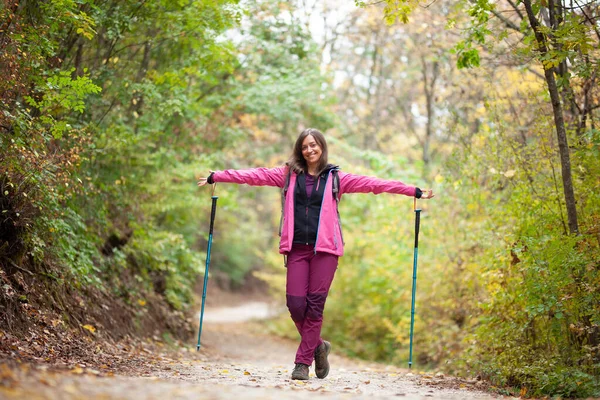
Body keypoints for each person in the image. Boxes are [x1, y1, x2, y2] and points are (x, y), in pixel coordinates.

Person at [197, 128, 434, 381]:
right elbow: (255, 175)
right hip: (297, 248)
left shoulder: (336, 178)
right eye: (305, 146)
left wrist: (413, 191)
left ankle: (302, 363)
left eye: (314, 145)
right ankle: (319, 346)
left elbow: (375, 184)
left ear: (322, 146)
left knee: (315, 308)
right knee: (296, 304)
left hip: (326, 250)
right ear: (300, 150)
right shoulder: (288, 174)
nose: (309, 150)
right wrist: (217, 176)